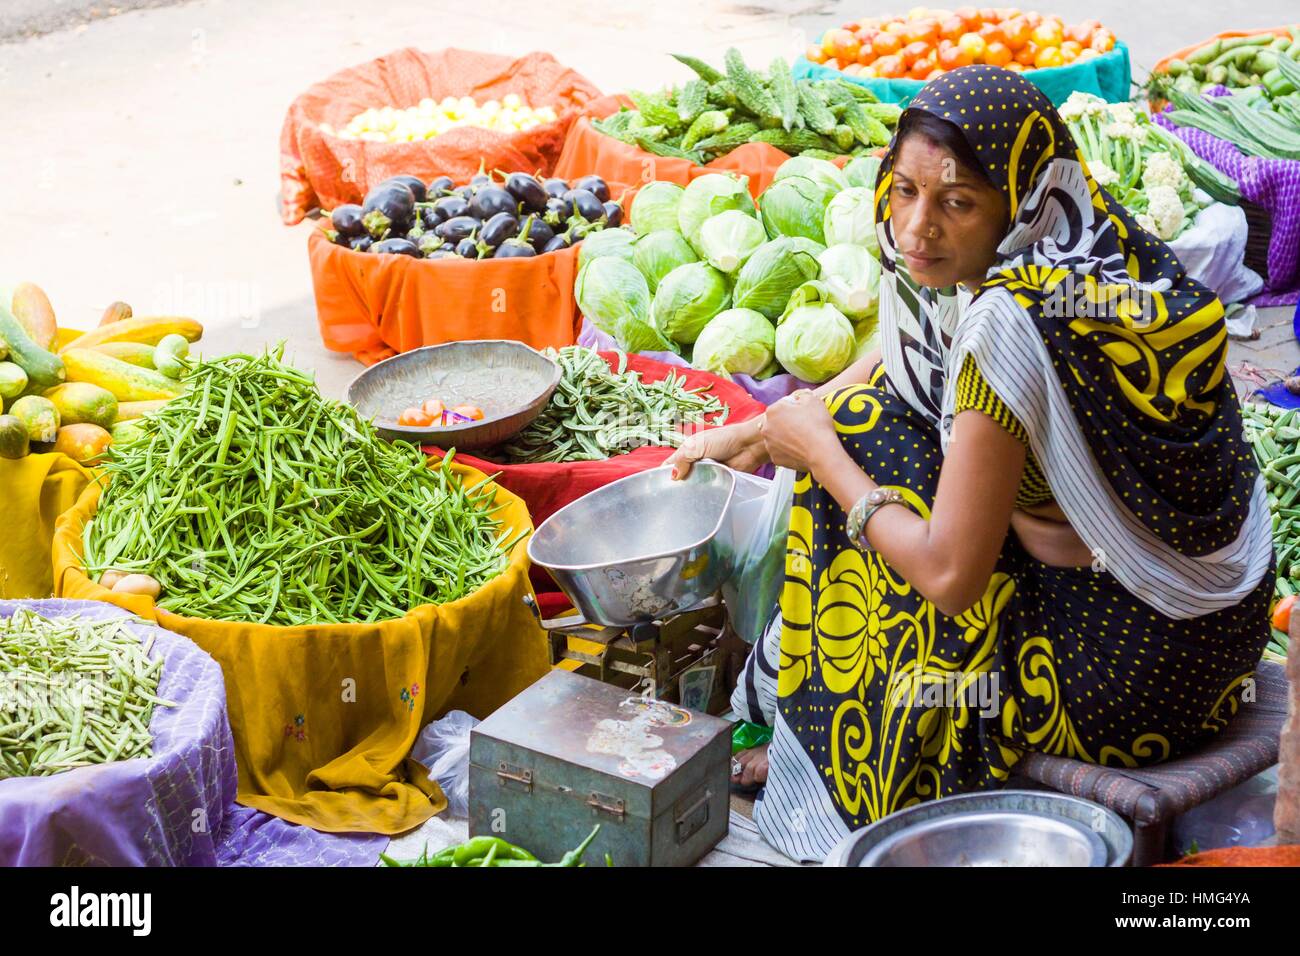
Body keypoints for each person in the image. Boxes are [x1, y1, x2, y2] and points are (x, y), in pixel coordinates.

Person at [668, 66, 1274, 862]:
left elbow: (951, 578)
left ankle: (836, 753)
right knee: (865, 414)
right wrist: (761, 431)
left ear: (1014, 206)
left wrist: (820, 453)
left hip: (1125, 686)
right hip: (1222, 640)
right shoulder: (1094, 248)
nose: (918, 229)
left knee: (858, 453)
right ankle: (798, 706)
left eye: (957, 203)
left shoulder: (1008, 326)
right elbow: (906, 356)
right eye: (905, 191)